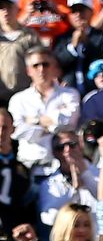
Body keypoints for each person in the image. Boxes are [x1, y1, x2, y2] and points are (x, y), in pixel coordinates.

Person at [8, 46, 81, 177]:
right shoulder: (18, 100)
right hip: (29, 166)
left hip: (64, 167)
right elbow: (17, 131)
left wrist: (33, 120)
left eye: (45, 64)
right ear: (28, 70)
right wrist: (53, 124)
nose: (41, 69)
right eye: (36, 65)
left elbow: (69, 122)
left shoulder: (70, 94)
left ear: (53, 67)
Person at [0, 0, 41, 103]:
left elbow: (40, 61)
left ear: (17, 9)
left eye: (8, 7)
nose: (5, 11)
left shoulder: (30, 35)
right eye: (1, 8)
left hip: (25, 95)